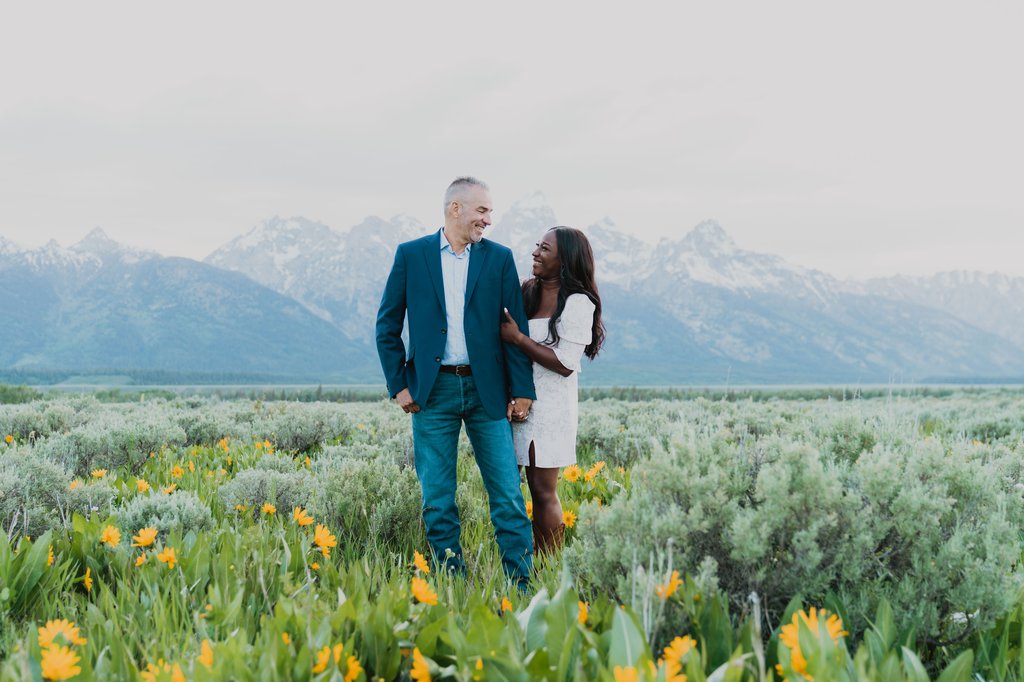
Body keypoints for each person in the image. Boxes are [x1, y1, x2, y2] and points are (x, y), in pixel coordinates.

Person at [376, 176, 537, 587]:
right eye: (482, 210)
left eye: (489, 212)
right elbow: (387, 325)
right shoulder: (411, 255)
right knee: (437, 498)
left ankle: (521, 586)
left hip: (488, 392)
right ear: (455, 209)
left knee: (508, 495)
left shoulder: (499, 258)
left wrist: (522, 389)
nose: (488, 219)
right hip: (432, 393)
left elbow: (515, 329)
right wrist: (399, 385)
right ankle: (452, 585)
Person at [499, 226, 605, 554]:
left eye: (545, 249)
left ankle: (548, 564)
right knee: (505, 487)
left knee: (542, 490)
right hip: (515, 400)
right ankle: (516, 556)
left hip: (552, 407)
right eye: (537, 246)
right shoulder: (526, 291)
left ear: (565, 259)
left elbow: (565, 362)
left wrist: (519, 338)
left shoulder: (577, 302)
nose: (535, 253)